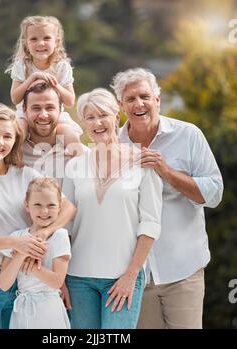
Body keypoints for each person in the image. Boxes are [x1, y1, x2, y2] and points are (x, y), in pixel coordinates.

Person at [111, 67, 224, 329]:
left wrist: (167, 172)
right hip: (135, 276)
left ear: (157, 100)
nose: (139, 104)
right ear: (120, 105)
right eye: (130, 99)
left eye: (144, 97)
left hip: (183, 270)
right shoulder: (113, 146)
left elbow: (215, 193)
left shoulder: (188, 135)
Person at [0, 103, 76, 329]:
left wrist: (43, 234)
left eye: (7, 136)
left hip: (26, 281)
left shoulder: (26, 174)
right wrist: (16, 243)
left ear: (15, 141)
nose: (0, 142)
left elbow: (67, 207)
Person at [62, 88, 163, 329]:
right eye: (90, 117)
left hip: (122, 278)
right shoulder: (74, 167)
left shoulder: (143, 162)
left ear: (116, 116)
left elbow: (150, 224)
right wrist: (60, 279)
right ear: (83, 123)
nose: (97, 123)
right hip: (78, 279)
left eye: (103, 115)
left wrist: (131, 274)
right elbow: (63, 227)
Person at [0, 177, 71, 329]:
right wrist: (21, 254)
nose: (44, 211)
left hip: (49, 310)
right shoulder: (16, 238)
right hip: (22, 310)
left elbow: (57, 281)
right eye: (37, 204)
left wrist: (30, 267)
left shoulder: (60, 236)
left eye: (51, 205)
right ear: (27, 205)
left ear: (59, 207)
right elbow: (4, 284)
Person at [6, 15, 81, 151]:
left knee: (70, 135)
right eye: (34, 39)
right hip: (25, 114)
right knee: (17, 133)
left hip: (54, 114)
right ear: (26, 43)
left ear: (56, 42)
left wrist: (56, 85)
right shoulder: (22, 65)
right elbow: (15, 98)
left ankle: (78, 164)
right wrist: (31, 79)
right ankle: (12, 166)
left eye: (46, 38)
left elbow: (70, 101)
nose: (40, 43)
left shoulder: (61, 66)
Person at [21, 80, 85, 185]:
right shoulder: (12, 153)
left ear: (60, 110)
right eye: (36, 108)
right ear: (24, 110)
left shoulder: (78, 153)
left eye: (50, 108)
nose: (43, 115)